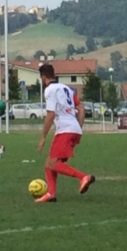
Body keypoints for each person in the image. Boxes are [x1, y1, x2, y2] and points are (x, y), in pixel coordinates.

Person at [35, 64, 95, 203]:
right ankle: (51, 194)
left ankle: (83, 177)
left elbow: (51, 114)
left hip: (65, 130)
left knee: (53, 163)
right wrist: (78, 127)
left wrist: (43, 137)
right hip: (73, 129)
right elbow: (81, 107)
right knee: (49, 163)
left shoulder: (50, 90)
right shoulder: (65, 88)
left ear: (42, 77)